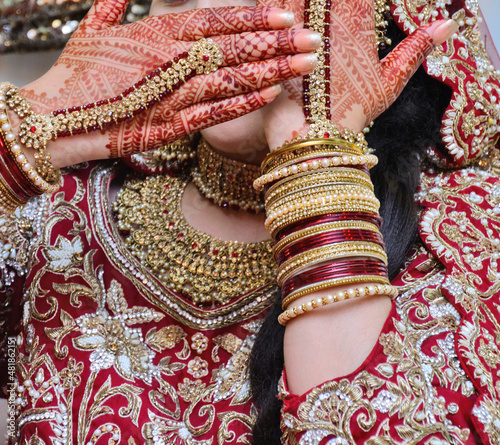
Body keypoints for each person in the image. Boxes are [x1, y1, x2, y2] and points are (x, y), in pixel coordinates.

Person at [0, 0, 499, 444]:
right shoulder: (57, 212)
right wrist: (25, 143)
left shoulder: (467, 235)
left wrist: (317, 166)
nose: (211, 20)